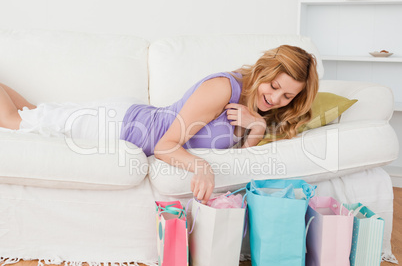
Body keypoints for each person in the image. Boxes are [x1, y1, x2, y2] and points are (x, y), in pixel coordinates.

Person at [0, 45, 319, 203]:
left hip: (132, 119)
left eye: (287, 96)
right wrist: (200, 167)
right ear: (263, 72)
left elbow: (241, 161)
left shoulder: (255, 109)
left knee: (34, 111)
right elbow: (166, 146)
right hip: (119, 125)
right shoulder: (224, 87)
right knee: (17, 121)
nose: (276, 99)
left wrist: (258, 127)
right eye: (273, 87)